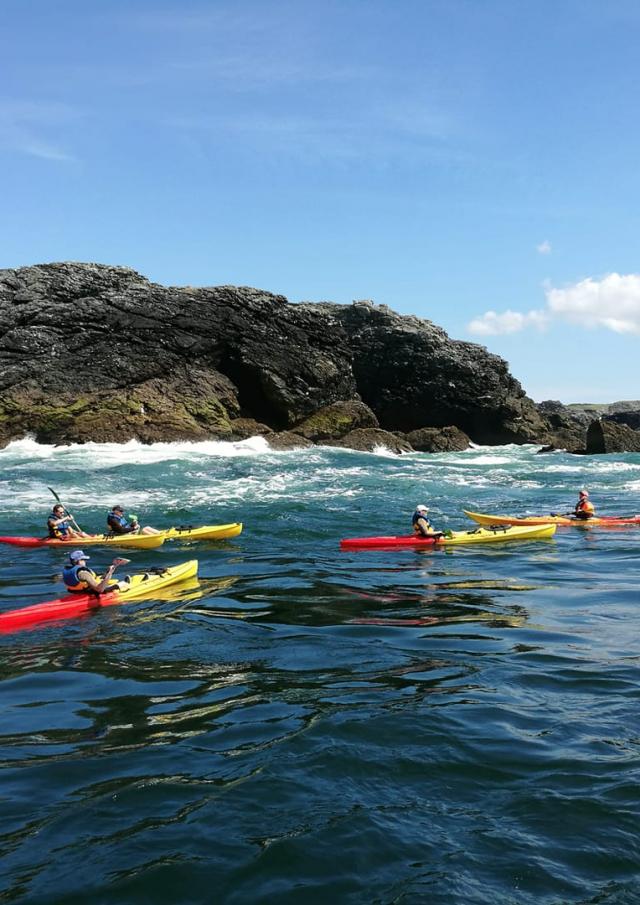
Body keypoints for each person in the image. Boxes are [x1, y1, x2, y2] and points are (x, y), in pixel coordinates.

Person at [62, 550, 131, 595]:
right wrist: (110, 573)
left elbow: (93, 577)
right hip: (90, 592)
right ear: (76, 561)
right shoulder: (83, 573)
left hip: (78, 592)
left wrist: (107, 571)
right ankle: (125, 583)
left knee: (100, 578)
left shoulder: (69, 570)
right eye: (82, 559)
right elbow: (100, 589)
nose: (85, 561)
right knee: (118, 584)